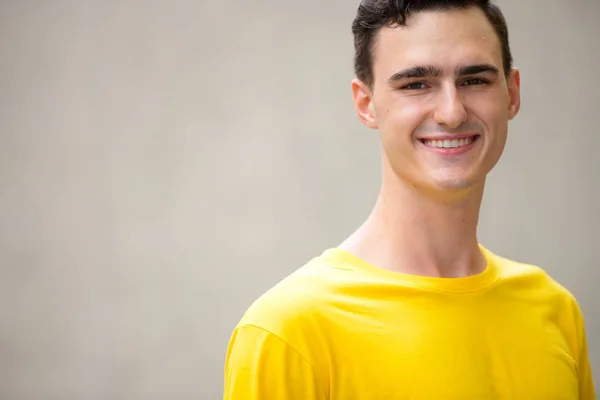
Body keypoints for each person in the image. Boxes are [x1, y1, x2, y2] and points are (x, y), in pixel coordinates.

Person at [223, 0, 596, 398]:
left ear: (512, 94)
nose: (452, 113)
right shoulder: (288, 332)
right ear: (366, 105)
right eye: (415, 84)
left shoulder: (553, 310)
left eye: (475, 80)